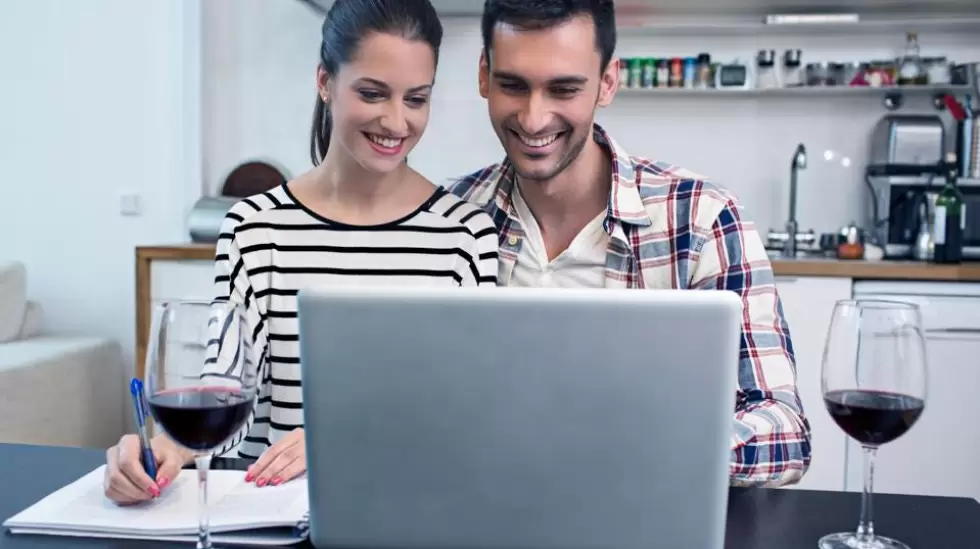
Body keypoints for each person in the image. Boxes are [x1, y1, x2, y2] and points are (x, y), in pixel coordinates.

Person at [103, 0, 498, 505]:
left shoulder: (464, 236)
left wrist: (345, 440)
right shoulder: (255, 228)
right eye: (372, 93)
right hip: (275, 510)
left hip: (412, 507)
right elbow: (226, 388)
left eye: (416, 99)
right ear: (325, 82)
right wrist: (166, 450)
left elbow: (464, 415)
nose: (397, 122)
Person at [449, 0, 811, 487]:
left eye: (564, 88)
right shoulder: (451, 213)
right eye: (513, 85)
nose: (534, 119)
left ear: (608, 82)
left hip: (645, 503)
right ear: (483, 76)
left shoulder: (702, 217)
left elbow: (784, 430)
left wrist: (643, 450)